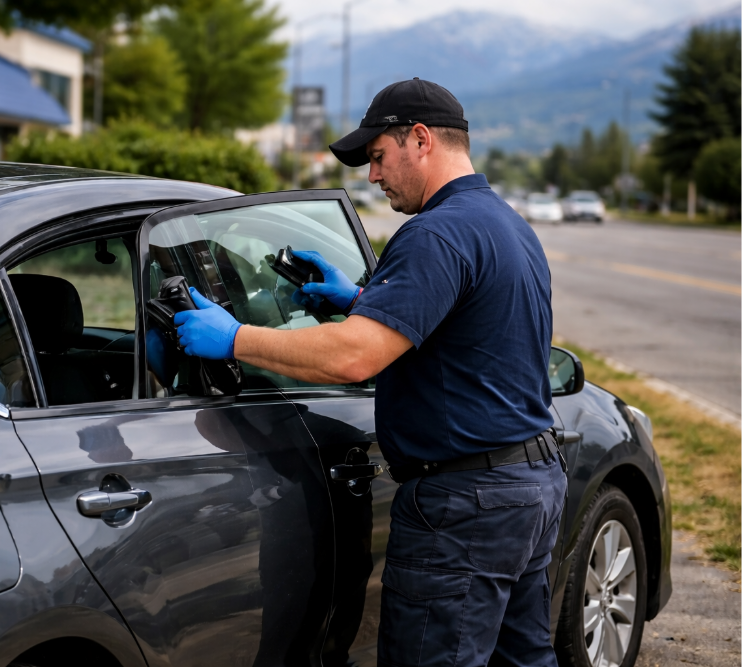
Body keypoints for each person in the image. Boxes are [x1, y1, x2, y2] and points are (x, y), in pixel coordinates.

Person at [172, 78, 567, 667]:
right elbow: (469, 333)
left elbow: (352, 358)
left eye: (379, 157)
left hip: (465, 505)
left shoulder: (435, 233)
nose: (374, 176)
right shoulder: (507, 225)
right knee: (523, 660)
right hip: (530, 487)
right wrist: (361, 301)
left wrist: (232, 337)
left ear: (421, 139)